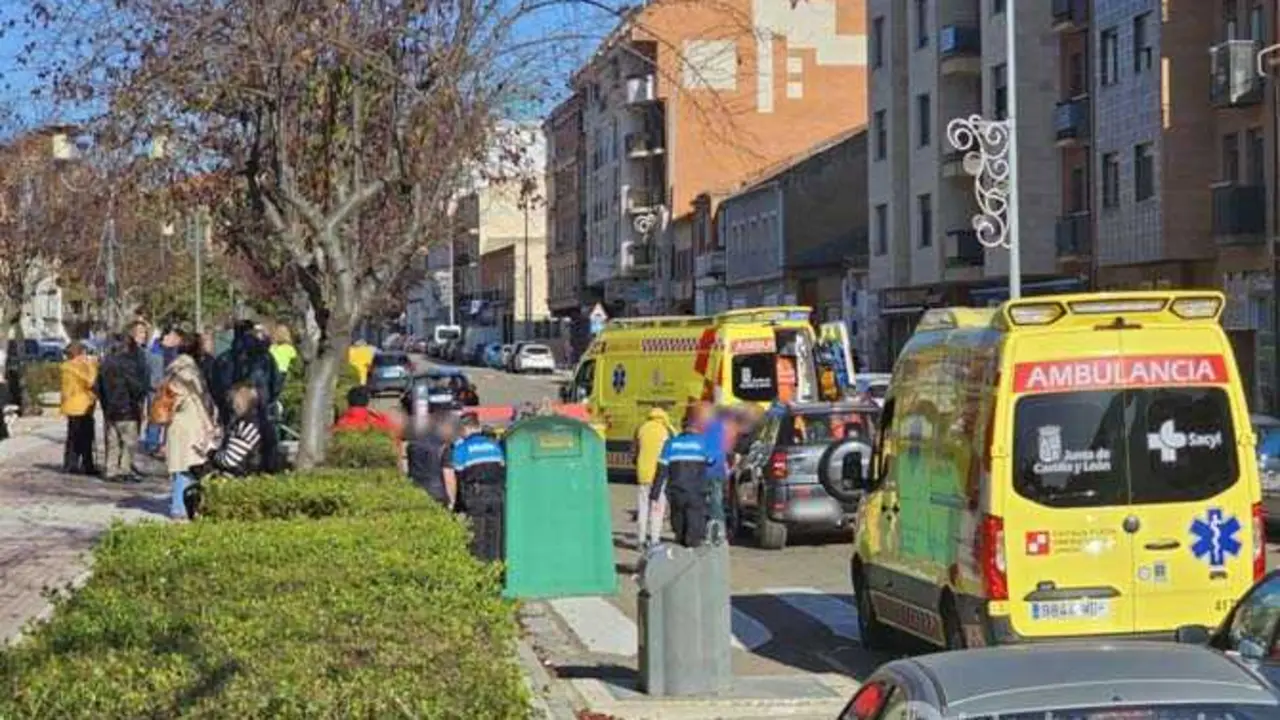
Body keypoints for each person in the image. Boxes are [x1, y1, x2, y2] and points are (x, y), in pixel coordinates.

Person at [213, 321, 283, 471]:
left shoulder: (225, 358)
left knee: (233, 445)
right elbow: (276, 384)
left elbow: (216, 385)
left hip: (231, 409)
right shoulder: (265, 357)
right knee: (262, 448)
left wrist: (224, 403)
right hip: (261, 409)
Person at [165, 331, 218, 521]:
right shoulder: (189, 371)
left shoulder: (174, 367)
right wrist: (208, 424)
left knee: (182, 464)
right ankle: (180, 506)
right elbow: (198, 399)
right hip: (190, 423)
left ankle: (179, 504)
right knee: (189, 465)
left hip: (177, 423)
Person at [650, 411, 714, 548]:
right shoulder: (703, 443)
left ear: (682, 426)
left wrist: (654, 494)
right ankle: (692, 553)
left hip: (676, 492)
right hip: (697, 492)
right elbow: (712, 461)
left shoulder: (671, 444)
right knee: (694, 528)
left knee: (679, 528)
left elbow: (661, 470)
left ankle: (681, 550)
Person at [452, 413, 507, 562]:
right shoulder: (494, 445)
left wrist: (457, 505)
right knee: (494, 534)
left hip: (476, 495)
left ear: (466, 428)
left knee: (477, 535)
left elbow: (458, 476)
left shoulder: (462, 448)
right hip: (496, 493)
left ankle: (478, 570)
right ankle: (494, 569)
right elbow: (502, 468)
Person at [95, 335, 147, 482]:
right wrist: (139, 397)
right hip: (127, 408)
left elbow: (97, 387)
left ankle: (111, 470)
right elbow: (135, 387)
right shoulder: (127, 364)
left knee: (112, 441)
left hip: (110, 410)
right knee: (128, 442)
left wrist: (105, 404)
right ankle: (125, 470)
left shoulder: (105, 364)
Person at [633, 406, 675, 550]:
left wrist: (638, 464)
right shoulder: (667, 430)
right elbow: (672, 452)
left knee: (643, 508)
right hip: (660, 475)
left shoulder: (641, 428)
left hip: (643, 474)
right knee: (657, 509)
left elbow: (634, 451)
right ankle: (655, 540)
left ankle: (640, 540)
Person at [60, 341, 99, 475]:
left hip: (73, 405)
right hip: (81, 405)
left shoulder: (67, 366)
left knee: (73, 437)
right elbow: (90, 381)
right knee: (85, 437)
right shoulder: (75, 367)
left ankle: (72, 463)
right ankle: (85, 465)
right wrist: (90, 365)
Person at [406, 410, 458, 508]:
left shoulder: (412, 444)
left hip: (415, 492)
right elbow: (448, 475)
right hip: (436, 493)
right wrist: (452, 500)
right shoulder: (443, 445)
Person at [209, 383, 262, 476]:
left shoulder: (244, 427)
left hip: (241, 476)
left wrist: (212, 455)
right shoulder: (257, 422)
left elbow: (230, 460)